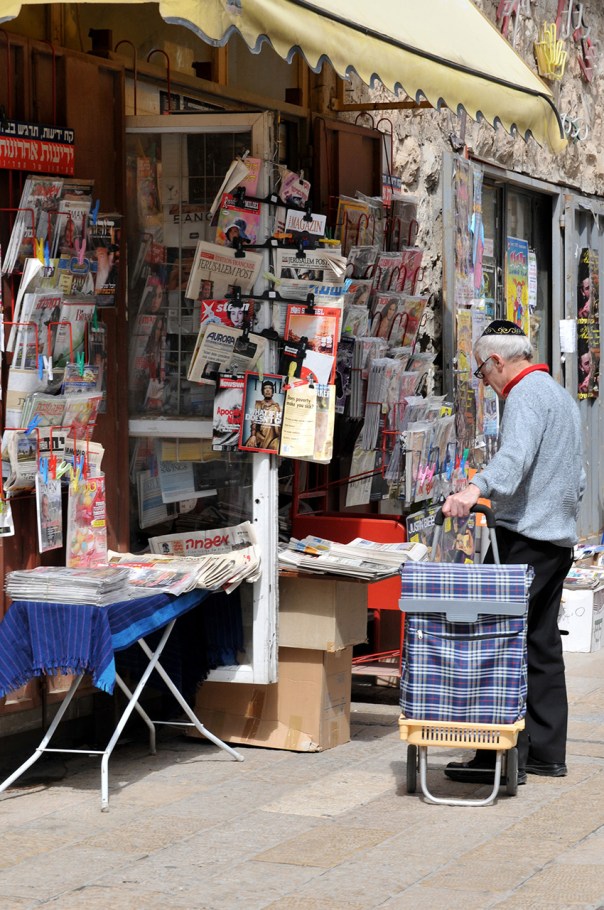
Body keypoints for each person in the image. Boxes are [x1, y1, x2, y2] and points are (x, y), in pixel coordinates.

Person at [441, 320, 585, 786]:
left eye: (482, 373)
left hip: (524, 539)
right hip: (556, 539)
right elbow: (578, 477)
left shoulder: (523, 395)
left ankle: (498, 758)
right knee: (540, 643)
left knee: (494, 643)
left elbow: (515, 457)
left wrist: (475, 487)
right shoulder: (558, 394)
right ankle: (546, 752)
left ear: (498, 361)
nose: (485, 383)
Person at [244, 379, 281, 451]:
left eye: (270, 388)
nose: (267, 390)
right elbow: (254, 421)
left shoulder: (277, 407)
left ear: (272, 392)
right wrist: (253, 435)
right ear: (262, 392)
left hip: (272, 438)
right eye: (265, 388)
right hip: (259, 436)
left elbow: (278, 427)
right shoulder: (258, 404)